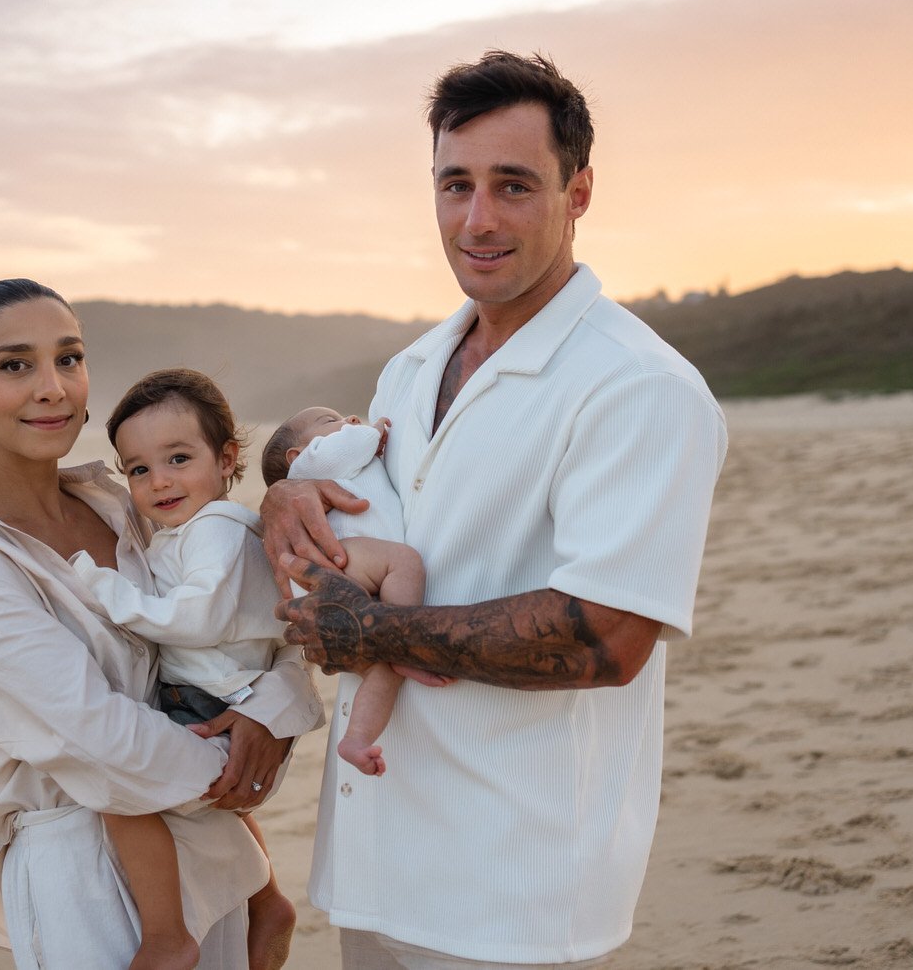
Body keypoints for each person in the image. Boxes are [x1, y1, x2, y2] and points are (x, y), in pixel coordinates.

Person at [262, 51, 729, 967]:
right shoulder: (410, 369)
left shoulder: (638, 387)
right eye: (455, 185)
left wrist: (376, 634)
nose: (477, 219)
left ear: (579, 191)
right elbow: (373, 512)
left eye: (513, 185)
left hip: (516, 883)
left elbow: (606, 637)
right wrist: (286, 493)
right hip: (378, 853)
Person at [0, 278, 323, 970]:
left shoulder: (121, 504)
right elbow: (93, 729)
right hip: (85, 870)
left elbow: (241, 620)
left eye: (69, 358)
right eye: (15, 365)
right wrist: (230, 770)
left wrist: (272, 716)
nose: (52, 386)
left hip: (206, 846)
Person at [69, 369, 299, 970]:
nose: (159, 480)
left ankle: (168, 936)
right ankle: (267, 898)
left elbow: (194, 619)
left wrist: (104, 588)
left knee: (115, 785)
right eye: (139, 469)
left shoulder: (217, 533)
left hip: (210, 705)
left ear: (227, 459)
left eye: (178, 458)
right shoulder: (194, 529)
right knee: (203, 807)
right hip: (221, 694)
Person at [260, 407, 432, 776]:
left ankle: (356, 738)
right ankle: (405, 634)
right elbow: (345, 444)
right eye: (329, 421)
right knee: (405, 563)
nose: (349, 419)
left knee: (382, 669)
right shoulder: (315, 462)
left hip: (347, 561)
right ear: (297, 456)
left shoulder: (347, 466)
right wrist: (375, 430)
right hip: (343, 557)